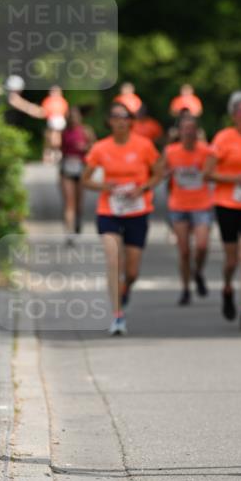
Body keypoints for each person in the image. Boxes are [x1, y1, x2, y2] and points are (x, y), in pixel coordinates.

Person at [82, 103, 164, 336]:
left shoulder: (144, 145)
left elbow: (158, 173)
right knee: (113, 260)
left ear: (131, 121)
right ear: (109, 122)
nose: (119, 121)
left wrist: (143, 188)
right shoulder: (100, 148)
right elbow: (85, 180)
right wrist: (104, 186)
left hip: (137, 211)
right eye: (115, 117)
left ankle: (126, 287)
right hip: (109, 210)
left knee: (132, 271)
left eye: (124, 117)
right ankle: (117, 315)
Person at [203, 91, 241, 330]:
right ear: (232, 115)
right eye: (240, 112)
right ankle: (227, 286)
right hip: (227, 204)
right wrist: (231, 179)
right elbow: (206, 173)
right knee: (231, 260)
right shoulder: (223, 138)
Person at [162, 112, 213, 304]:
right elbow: (160, 172)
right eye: (185, 129)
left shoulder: (206, 151)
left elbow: (211, 172)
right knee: (183, 251)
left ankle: (197, 271)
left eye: (192, 129)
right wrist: (167, 172)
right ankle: (185, 289)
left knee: (201, 246)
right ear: (179, 132)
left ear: (197, 132)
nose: (189, 133)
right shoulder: (170, 151)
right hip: (178, 205)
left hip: (201, 205)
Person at [59, 106, 95, 241]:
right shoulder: (64, 132)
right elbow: (61, 149)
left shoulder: (86, 131)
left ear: (80, 117)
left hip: (81, 167)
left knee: (79, 202)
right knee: (69, 202)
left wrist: (85, 148)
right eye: (71, 116)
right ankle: (69, 230)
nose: (73, 119)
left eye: (75, 116)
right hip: (67, 168)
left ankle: (78, 220)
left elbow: (94, 148)